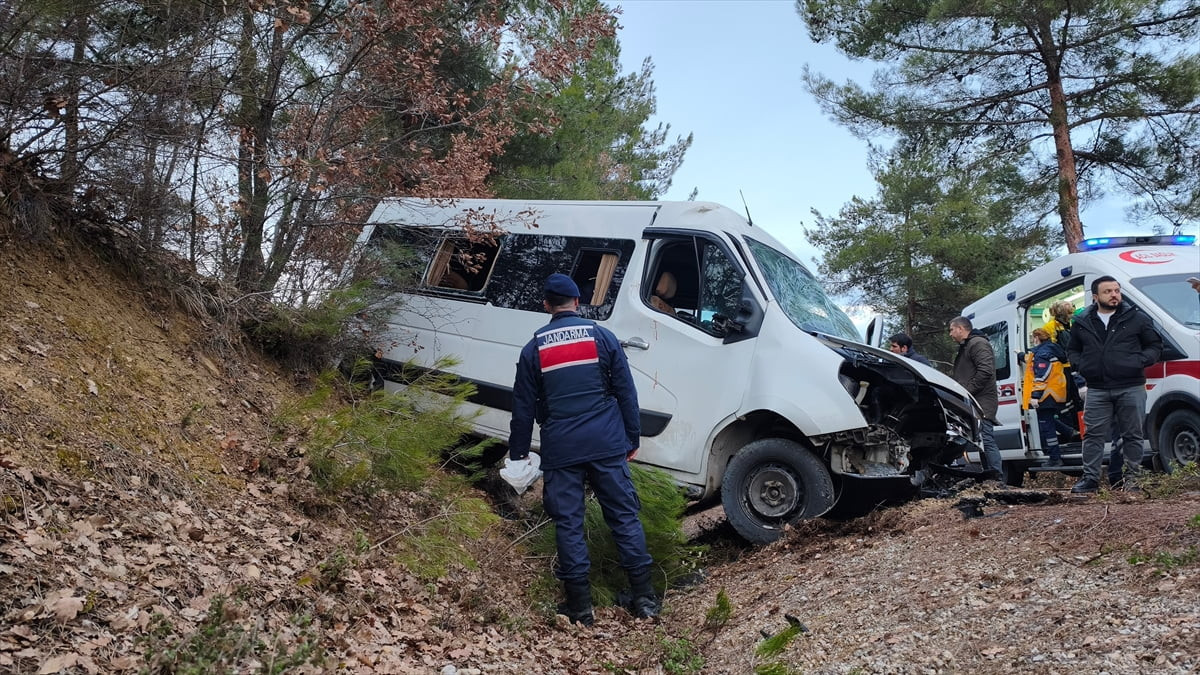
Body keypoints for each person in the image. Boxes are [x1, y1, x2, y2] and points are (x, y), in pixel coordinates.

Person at [508, 273, 659, 625]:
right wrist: (631, 440)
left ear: (546, 306)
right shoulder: (602, 337)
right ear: (578, 302)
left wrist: (517, 455)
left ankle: (580, 608)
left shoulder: (534, 349)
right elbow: (626, 392)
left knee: (569, 524)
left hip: (562, 448)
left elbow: (523, 408)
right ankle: (645, 600)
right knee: (624, 517)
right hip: (607, 442)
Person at [1066, 275, 1162, 494]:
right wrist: (1082, 366)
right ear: (1095, 296)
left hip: (1131, 386)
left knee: (1133, 434)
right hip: (1097, 388)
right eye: (1108, 291)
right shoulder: (1082, 323)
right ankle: (1090, 479)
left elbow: (1154, 345)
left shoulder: (1137, 318)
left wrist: (1139, 361)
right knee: (1093, 435)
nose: (1114, 295)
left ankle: (1133, 480)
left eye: (1117, 290)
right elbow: (1072, 349)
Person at [949, 316, 1004, 478]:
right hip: (975, 401)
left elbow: (985, 371)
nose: (951, 334)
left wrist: (966, 392)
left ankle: (996, 477)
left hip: (982, 402)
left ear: (961, 329)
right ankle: (990, 477)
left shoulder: (978, 343)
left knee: (986, 440)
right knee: (980, 441)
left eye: (952, 330)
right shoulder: (969, 345)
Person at [1026, 328, 1067, 467]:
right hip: (1056, 392)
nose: (1032, 340)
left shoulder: (1042, 354)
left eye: (1033, 337)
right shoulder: (1052, 349)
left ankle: (1055, 458)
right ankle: (1068, 432)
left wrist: (1035, 396)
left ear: (1037, 337)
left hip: (1046, 394)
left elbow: (1041, 376)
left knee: (1046, 426)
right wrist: (1021, 355)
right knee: (1048, 420)